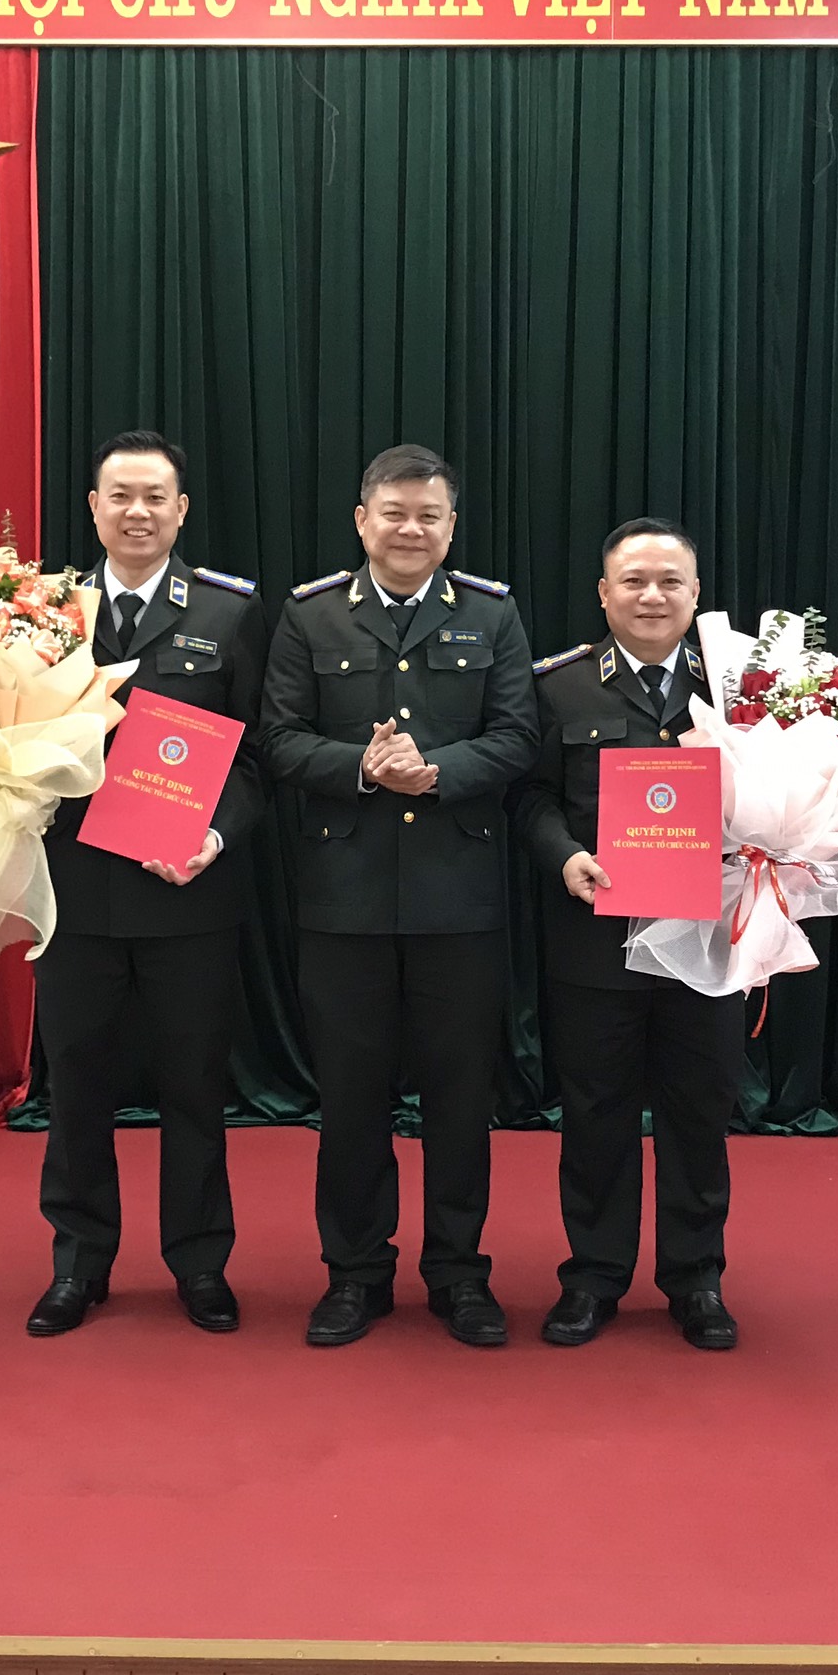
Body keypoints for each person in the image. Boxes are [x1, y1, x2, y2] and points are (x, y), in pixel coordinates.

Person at [260, 444, 540, 1347]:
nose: (410, 529)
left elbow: (518, 737)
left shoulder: (492, 614)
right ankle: (355, 1274)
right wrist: (365, 768)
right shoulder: (311, 615)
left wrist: (438, 772)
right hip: (343, 899)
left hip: (459, 900)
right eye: (393, 513)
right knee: (350, 1100)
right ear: (362, 520)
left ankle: (459, 1274)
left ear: (451, 528)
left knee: (460, 1100)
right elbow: (278, 739)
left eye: (428, 516)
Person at [24, 431, 269, 1338]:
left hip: (187, 892)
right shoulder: (41, 612)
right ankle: (78, 1261)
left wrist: (216, 835)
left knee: (195, 1087)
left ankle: (199, 1262)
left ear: (181, 510)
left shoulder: (229, 612)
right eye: (120, 496)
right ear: (93, 507)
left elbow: (258, 755)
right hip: (74, 892)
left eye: (154, 497)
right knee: (76, 1086)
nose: (137, 512)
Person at [511, 518, 748, 1351]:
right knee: (596, 1113)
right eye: (635, 581)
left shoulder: (741, 691)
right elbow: (529, 797)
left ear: (695, 593)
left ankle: (697, 1279)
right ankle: (593, 1277)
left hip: (707, 943)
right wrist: (564, 855)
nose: (652, 596)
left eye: (670, 581)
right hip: (595, 942)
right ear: (604, 594)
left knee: (699, 1114)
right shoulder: (559, 687)